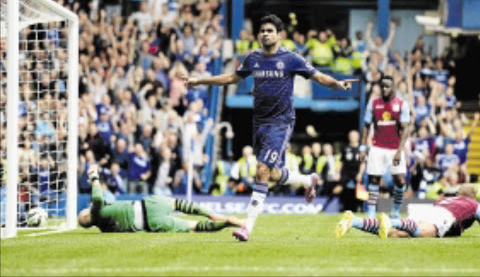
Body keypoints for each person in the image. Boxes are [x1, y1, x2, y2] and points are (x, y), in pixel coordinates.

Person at [184, 14, 357, 242]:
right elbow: (230, 78)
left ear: (279, 35)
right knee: (272, 173)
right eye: (262, 30)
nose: (265, 33)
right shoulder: (253, 58)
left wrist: (337, 83)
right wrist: (200, 81)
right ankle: (308, 180)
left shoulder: (291, 59)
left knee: (262, 170)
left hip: (281, 122)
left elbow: (317, 76)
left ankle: (248, 226)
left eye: (270, 30)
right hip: (260, 123)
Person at [78, 165, 244, 233]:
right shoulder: (96, 212)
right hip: (147, 206)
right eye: (83, 211)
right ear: (86, 217)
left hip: (151, 224)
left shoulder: (104, 229)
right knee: (180, 204)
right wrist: (94, 177)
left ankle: (227, 223)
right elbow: (98, 199)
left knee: (194, 227)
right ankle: (211, 214)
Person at [335, 184, 480, 239]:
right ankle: (390, 220)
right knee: (418, 231)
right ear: (473, 196)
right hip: (443, 217)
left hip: (431, 209)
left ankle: (354, 221)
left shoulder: (446, 198)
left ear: (458, 194)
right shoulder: (475, 205)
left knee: (395, 234)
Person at [360, 75, 411, 219]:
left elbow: (405, 129)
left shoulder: (402, 104)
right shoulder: (373, 104)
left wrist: (399, 151)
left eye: (387, 86)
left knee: (400, 181)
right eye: (382, 86)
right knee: (374, 179)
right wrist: (363, 148)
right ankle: (371, 213)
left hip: (395, 148)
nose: (384, 89)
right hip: (377, 147)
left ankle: (395, 211)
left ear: (393, 87)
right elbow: (366, 126)